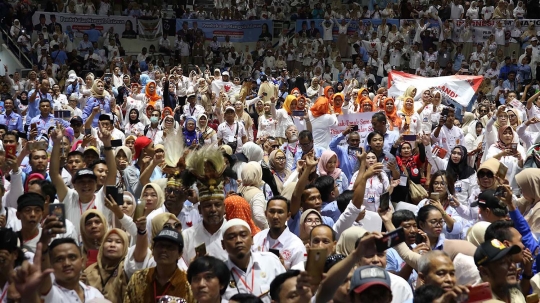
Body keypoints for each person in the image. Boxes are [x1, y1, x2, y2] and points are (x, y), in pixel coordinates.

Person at [221, 219, 286, 302]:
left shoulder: (271, 261)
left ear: (252, 240)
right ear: (223, 244)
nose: (238, 240)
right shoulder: (220, 273)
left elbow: (287, 292)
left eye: (243, 235)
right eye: (231, 237)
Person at [124, 228, 195, 303]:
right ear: (153, 250)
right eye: (160, 245)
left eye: (170, 247)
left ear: (180, 254)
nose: (164, 250)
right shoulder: (138, 278)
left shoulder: (188, 283)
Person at [252, 196, 306, 270]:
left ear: (288, 216)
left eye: (280, 212)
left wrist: (283, 270)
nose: (275, 216)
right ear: (265, 214)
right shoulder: (257, 239)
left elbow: (299, 277)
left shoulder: (296, 246)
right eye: (272, 211)